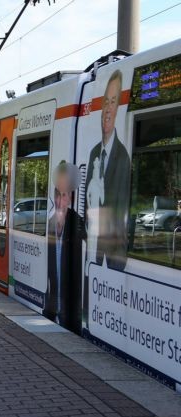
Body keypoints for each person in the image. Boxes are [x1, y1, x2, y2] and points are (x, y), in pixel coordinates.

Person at [85, 69, 131, 272]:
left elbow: (121, 219)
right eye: (105, 102)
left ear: (119, 107)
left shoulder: (123, 158)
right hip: (93, 253)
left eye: (113, 102)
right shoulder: (94, 152)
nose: (108, 109)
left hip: (111, 262)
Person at [45, 162, 86, 331]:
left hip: (71, 299)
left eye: (66, 195)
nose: (62, 200)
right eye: (59, 195)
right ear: (55, 198)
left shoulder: (77, 221)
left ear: (70, 198)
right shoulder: (50, 223)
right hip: (53, 298)